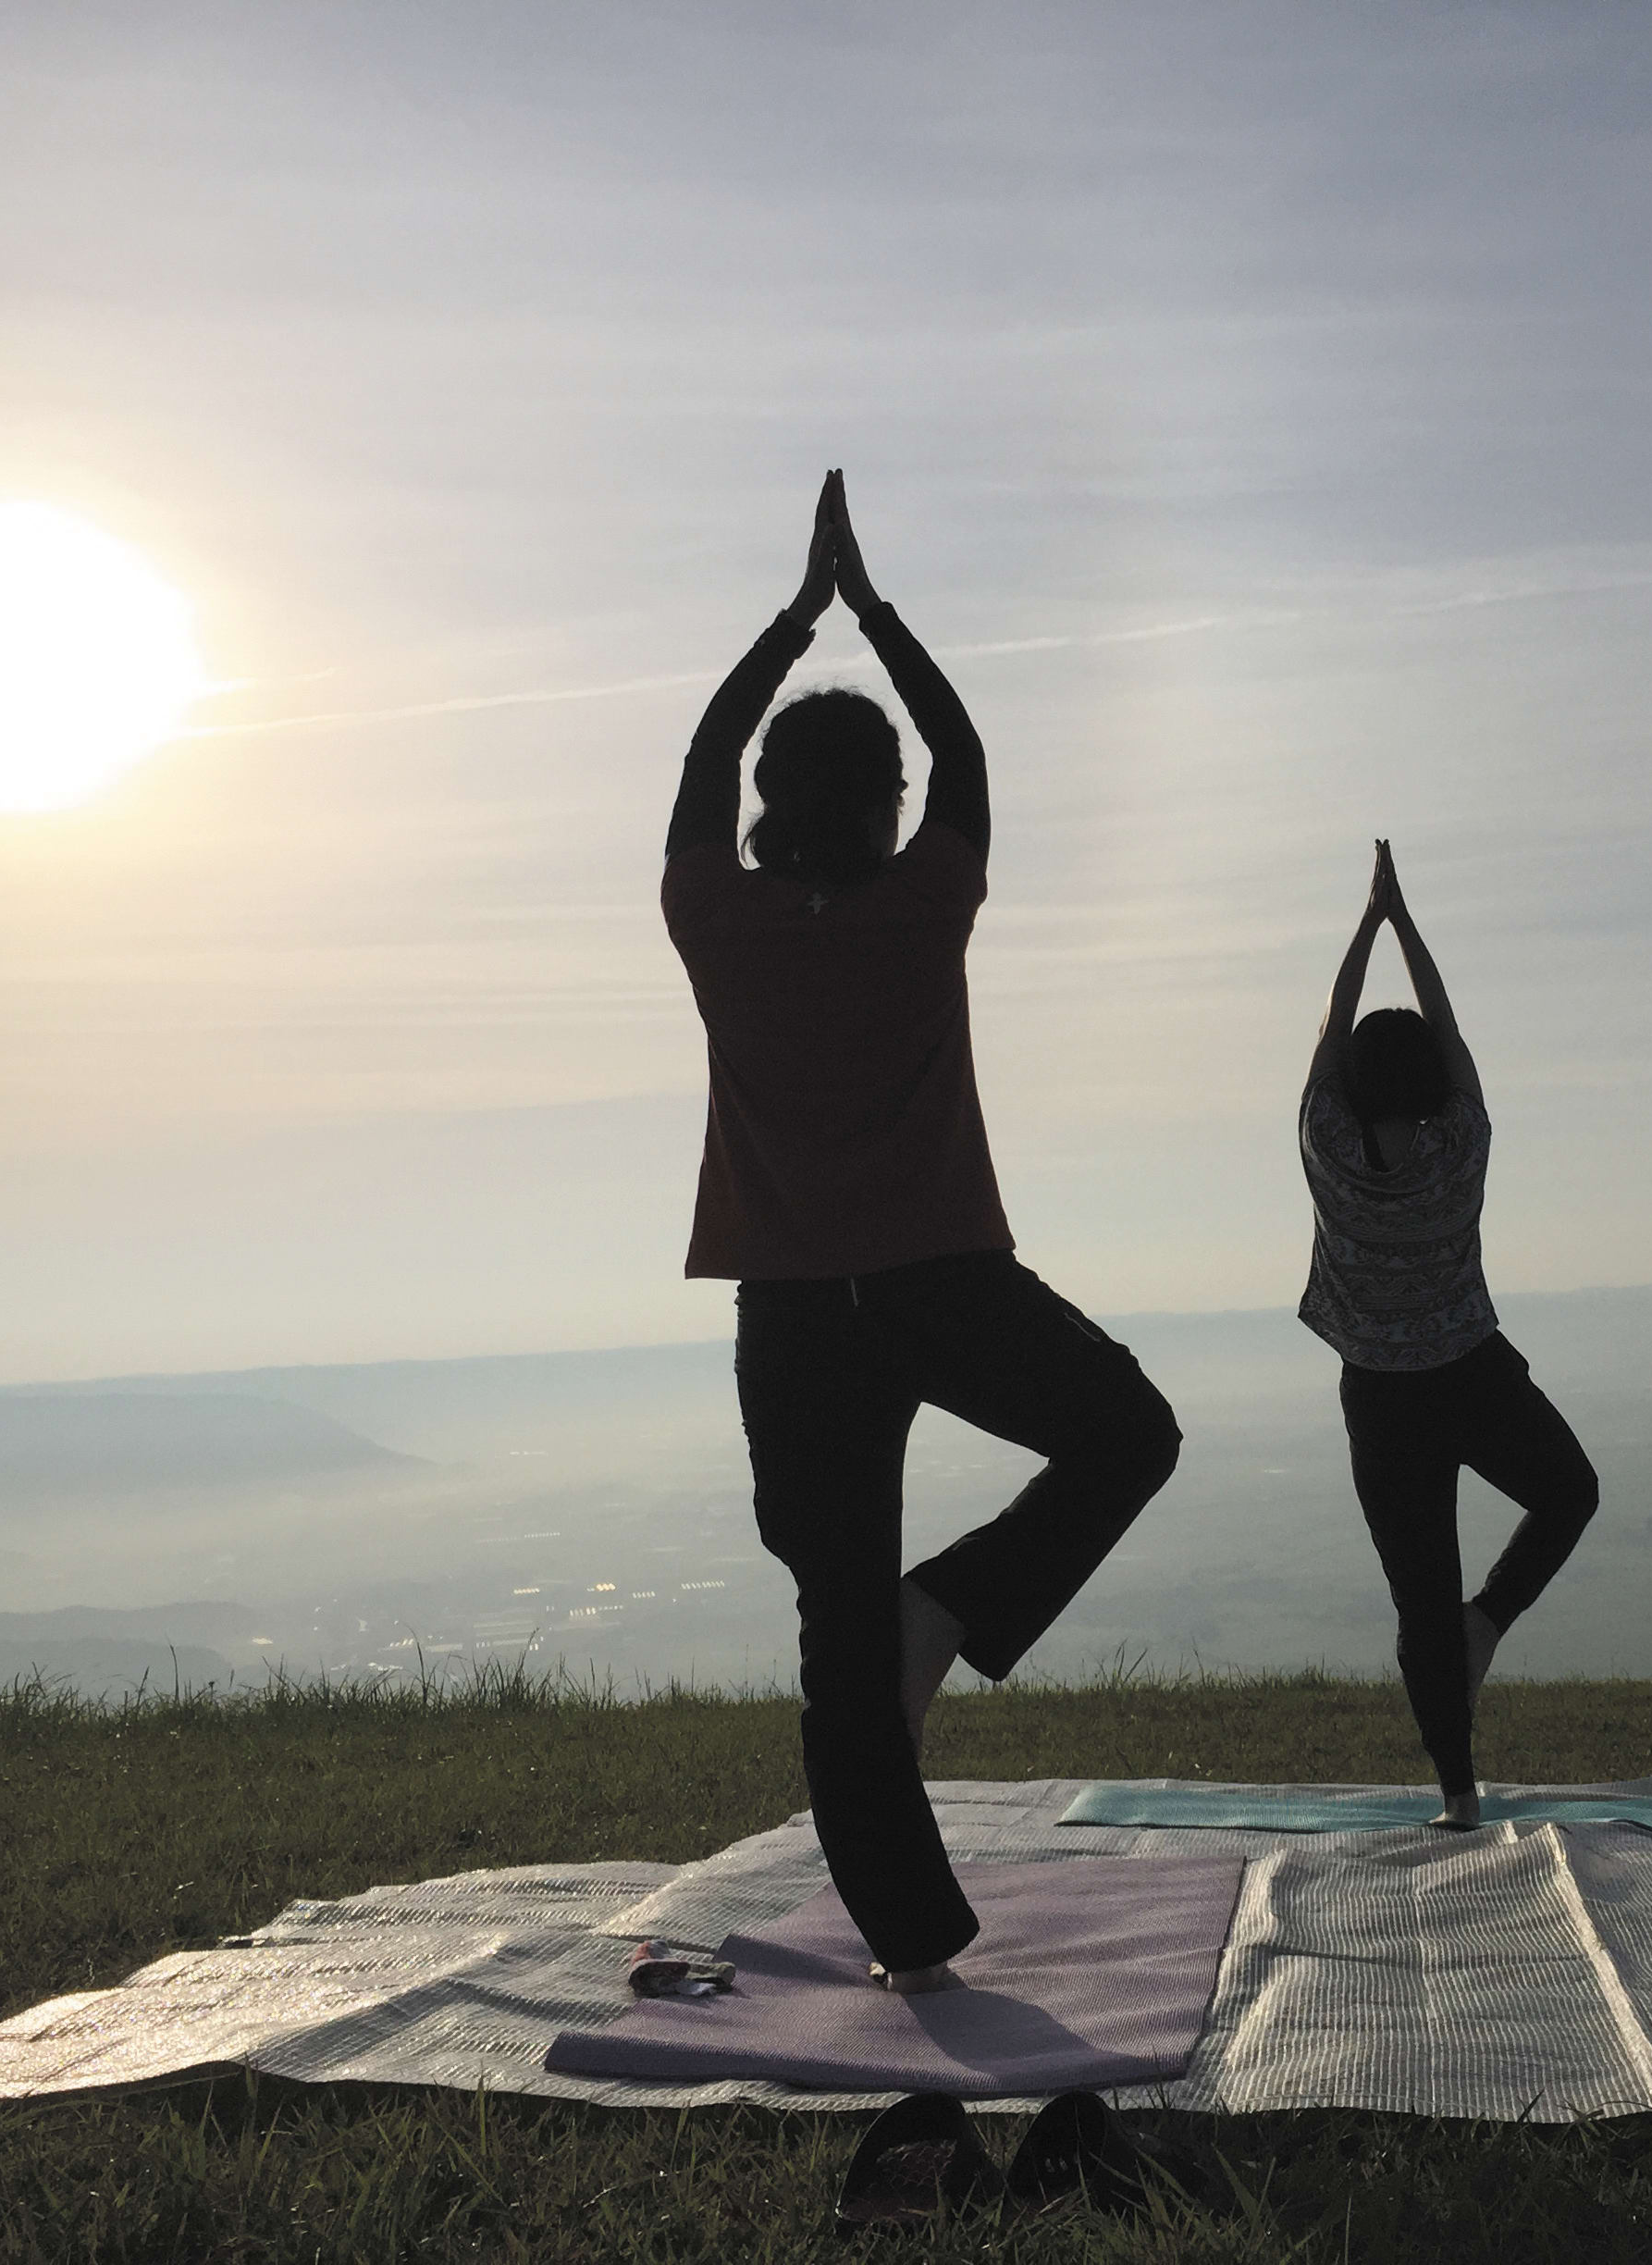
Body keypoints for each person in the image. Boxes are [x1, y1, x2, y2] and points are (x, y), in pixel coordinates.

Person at [662, 471, 1182, 1991]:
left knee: (840, 1633)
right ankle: (944, 1609)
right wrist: (872, 612)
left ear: (767, 804)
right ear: (888, 807)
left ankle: (914, 1950)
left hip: (792, 1314)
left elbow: (702, 758)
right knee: (1127, 1435)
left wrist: (792, 622)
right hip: (942, 1281)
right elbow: (964, 752)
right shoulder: (925, 902)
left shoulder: (715, 916)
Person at [1300, 840, 1599, 1827]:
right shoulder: (1461, 1143)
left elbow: (1331, 1030)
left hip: (1381, 1398)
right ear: (1431, 1078)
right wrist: (1403, 920)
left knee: (1419, 1597)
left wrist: (1366, 925)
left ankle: (1459, 1797)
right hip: (1474, 1374)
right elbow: (1451, 1030)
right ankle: (1489, 1623)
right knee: (1569, 1491)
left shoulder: (1328, 1146)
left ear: (1353, 1085)